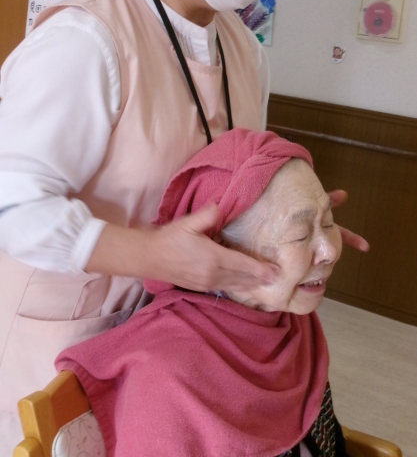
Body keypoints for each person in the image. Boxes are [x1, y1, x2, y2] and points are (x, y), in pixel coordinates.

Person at [0, 0, 367, 450]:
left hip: (177, 344)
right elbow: (13, 207)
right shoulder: (88, 41)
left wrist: (295, 219)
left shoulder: (243, 51)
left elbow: (232, 182)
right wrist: (154, 256)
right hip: (63, 339)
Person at [56, 128, 347, 457]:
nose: (330, 251)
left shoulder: (293, 323)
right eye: (300, 234)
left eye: (328, 222)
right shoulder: (166, 377)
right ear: (222, 246)